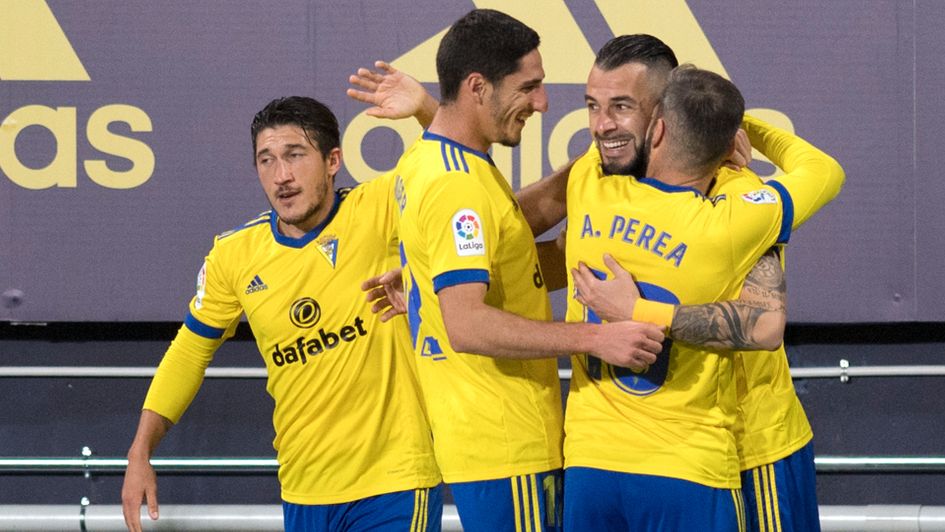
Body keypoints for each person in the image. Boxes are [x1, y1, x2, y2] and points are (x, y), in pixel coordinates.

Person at [387, 9, 665, 532]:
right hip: (507, 442)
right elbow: (467, 325)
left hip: (487, 441)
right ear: (477, 87)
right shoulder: (457, 185)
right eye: (529, 87)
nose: (541, 102)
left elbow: (511, 251)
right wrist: (595, 338)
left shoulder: (435, 162)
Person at [120, 96, 443, 532]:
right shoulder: (234, 255)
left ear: (332, 160)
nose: (282, 176)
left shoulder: (380, 207)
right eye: (266, 161)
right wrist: (141, 451)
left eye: (295, 156)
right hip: (303, 490)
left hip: (397, 481)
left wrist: (424, 106)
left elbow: (453, 166)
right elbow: (189, 354)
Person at [561, 51, 844, 530]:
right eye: (595, 107)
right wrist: (735, 134)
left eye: (621, 108)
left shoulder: (591, 186)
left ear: (657, 126)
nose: (604, 124)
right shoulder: (740, 208)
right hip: (699, 460)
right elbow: (824, 172)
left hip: (614, 458)